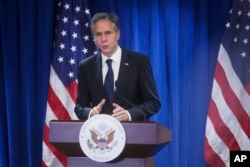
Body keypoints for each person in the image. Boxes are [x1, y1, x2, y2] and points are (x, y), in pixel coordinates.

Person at [74, 12, 161, 121]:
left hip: (132, 133)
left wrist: (129, 114)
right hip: (99, 133)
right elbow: (79, 107)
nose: (103, 39)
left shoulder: (139, 62)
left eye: (108, 33)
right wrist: (91, 112)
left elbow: (153, 103)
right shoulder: (86, 66)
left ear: (118, 34)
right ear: (94, 38)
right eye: (98, 34)